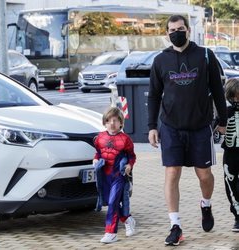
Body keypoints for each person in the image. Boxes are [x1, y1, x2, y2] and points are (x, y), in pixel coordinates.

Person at [147, 15, 227, 246]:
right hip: (171, 127)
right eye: (172, 30)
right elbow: (153, 95)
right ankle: (175, 225)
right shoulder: (160, 60)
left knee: (204, 175)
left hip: (200, 127)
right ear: (166, 33)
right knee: (172, 174)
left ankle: (206, 204)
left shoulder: (204, 55)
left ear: (188, 30)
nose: (176, 33)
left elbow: (218, 90)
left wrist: (222, 119)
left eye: (180, 29)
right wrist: (152, 126)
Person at [93, 107, 136, 244]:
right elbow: (99, 153)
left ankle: (110, 232)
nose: (112, 123)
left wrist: (129, 165)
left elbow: (131, 156)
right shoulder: (100, 137)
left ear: (120, 123)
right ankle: (127, 219)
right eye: (109, 120)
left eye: (115, 120)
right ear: (105, 122)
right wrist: (95, 159)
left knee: (113, 202)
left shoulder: (125, 139)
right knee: (109, 201)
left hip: (118, 175)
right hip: (104, 176)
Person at [221, 78, 239, 232]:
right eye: (234, 97)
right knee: (231, 185)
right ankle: (237, 216)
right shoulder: (226, 112)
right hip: (231, 153)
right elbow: (216, 128)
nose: (236, 100)